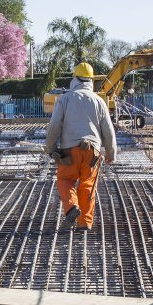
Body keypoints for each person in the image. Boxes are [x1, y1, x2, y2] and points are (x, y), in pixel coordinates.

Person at [44, 62, 117, 231]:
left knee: (65, 179)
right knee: (88, 185)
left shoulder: (64, 99)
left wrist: (51, 148)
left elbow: (54, 126)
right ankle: (85, 223)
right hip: (92, 152)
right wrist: (111, 152)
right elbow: (108, 130)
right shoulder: (99, 101)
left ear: (74, 78)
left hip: (68, 151)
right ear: (91, 80)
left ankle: (71, 208)